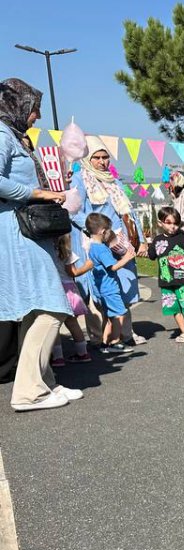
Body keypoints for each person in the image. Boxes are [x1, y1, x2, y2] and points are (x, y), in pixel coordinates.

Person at [0, 77, 79, 411]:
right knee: (52, 305)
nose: (38, 116)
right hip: (17, 231)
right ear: (19, 105)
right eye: (35, 109)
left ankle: (43, 383)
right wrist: (36, 192)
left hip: (27, 230)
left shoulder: (16, 136)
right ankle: (28, 391)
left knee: (36, 308)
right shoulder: (3, 134)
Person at [70, 135, 147, 347]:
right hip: (95, 242)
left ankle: (126, 333)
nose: (102, 161)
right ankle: (98, 336)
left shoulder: (115, 181)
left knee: (124, 285)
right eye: (97, 157)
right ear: (88, 159)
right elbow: (72, 211)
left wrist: (140, 240)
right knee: (100, 288)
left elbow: (128, 212)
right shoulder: (80, 180)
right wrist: (93, 231)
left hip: (120, 242)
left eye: (105, 157)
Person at [84, 213, 136, 353]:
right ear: (102, 231)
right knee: (119, 314)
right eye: (108, 230)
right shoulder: (101, 249)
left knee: (108, 317)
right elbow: (112, 267)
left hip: (101, 288)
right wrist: (126, 258)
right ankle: (114, 342)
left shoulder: (93, 247)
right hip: (109, 288)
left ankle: (105, 343)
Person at [150, 207, 184, 345]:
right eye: (168, 222)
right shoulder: (157, 240)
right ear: (160, 223)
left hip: (183, 280)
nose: (173, 226)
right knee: (174, 308)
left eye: (176, 223)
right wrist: (145, 246)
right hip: (166, 281)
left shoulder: (183, 238)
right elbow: (151, 255)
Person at [50, 235, 91, 366]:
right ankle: (82, 353)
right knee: (73, 324)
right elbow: (73, 272)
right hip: (68, 289)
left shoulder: (48, 251)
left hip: (53, 289)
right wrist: (87, 266)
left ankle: (58, 357)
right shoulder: (66, 252)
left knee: (54, 325)